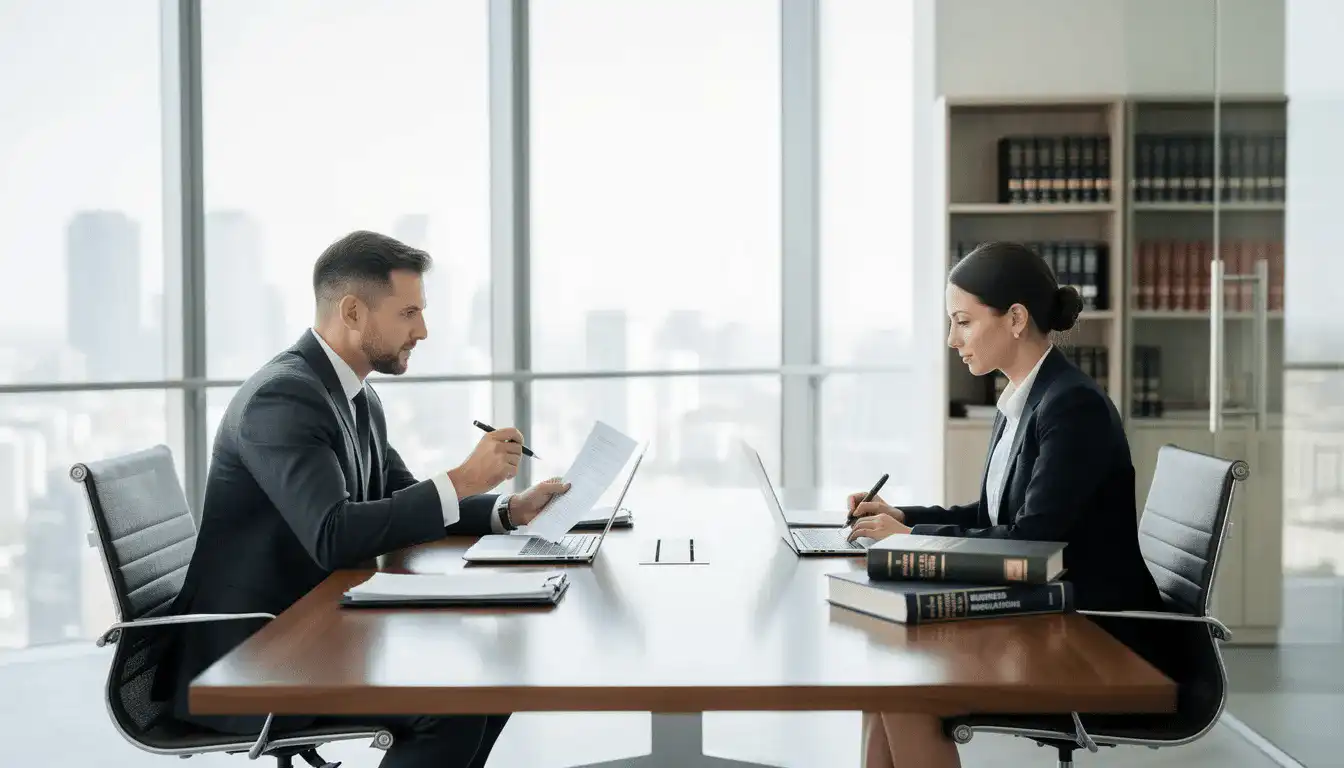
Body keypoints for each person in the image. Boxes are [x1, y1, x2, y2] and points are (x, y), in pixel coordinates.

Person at [151, 230, 570, 768]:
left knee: (486, 682)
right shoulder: (283, 397)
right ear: (352, 311)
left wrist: (507, 509)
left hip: (313, 629)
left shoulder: (354, 392)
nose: (422, 330)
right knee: (453, 705)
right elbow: (333, 536)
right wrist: (465, 478)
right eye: (409, 312)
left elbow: (395, 497)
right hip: (252, 656)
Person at [843, 241, 1169, 768]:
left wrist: (911, 542)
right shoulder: (1025, 396)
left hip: (1096, 634)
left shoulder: (1072, 406)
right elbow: (992, 517)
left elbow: (1029, 542)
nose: (953, 340)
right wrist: (905, 519)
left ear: (1015, 319)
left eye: (963, 322)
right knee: (884, 678)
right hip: (1048, 613)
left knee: (905, 687)